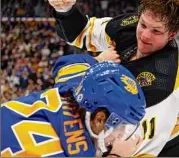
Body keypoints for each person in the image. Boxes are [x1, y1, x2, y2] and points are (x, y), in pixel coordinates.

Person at [48, 0, 179, 156]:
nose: (144, 36)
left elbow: (136, 151)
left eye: (156, 31)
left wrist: (98, 63)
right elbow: (83, 32)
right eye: (143, 24)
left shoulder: (161, 85)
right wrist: (65, 10)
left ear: (171, 35)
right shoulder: (128, 26)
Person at [1, 54, 146, 157]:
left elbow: (69, 62)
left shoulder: (73, 89)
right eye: (121, 127)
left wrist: (98, 60)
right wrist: (116, 155)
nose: (121, 135)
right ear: (100, 119)